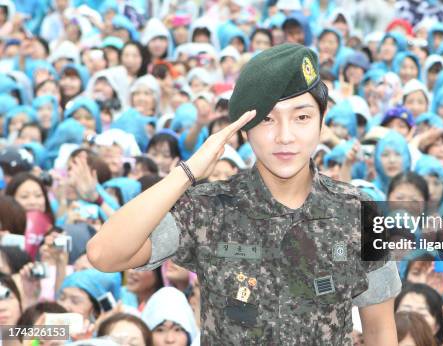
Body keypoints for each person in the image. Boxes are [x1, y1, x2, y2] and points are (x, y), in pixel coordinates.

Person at [88, 43, 401, 344]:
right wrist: (188, 172)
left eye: (302, 117)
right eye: (267, 119)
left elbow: (379, 331)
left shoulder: (358, 210)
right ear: (244, 129)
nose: (285, 136)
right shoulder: (209, 209)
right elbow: (105, 253)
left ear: (322, 122)